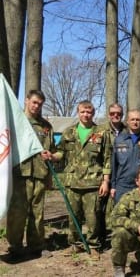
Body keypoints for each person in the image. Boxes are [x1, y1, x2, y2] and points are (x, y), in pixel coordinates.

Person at [6, 90, 59, 259]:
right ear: (26, 100)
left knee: (37, 213)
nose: (37, 106)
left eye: (40, 104)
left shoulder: (46, 127)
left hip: (40, 175)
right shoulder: (14, 122)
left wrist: (51, 157)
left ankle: (36, 245)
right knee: (17, 212)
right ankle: (15, 247)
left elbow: (54, 151)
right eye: (34, 102)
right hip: (19, 174)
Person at [57, 100, 111, 259]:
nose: (86, 115)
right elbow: (61, 153)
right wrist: (52, 156)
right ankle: (75, 244)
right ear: (78, 112)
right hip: (72, 181)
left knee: (92, 218)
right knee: (73, 216)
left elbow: (107, 158)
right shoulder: (69, 132)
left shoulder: (101, 132)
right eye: (83, 112)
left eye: (89, 112)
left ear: (93, 114)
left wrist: (106, 181)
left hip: (93, 182)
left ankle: (94, 246)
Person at [98, 103, 127, 245]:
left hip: (121, 174)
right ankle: (102, 237)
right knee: (101, 208)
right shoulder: (100, 130)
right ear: (108, 114)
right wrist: (105, 179)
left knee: (121, 207)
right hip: (103, 174)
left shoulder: (127, 131)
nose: (115, 116)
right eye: (112, 113)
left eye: (119, 114)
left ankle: (120, 238)